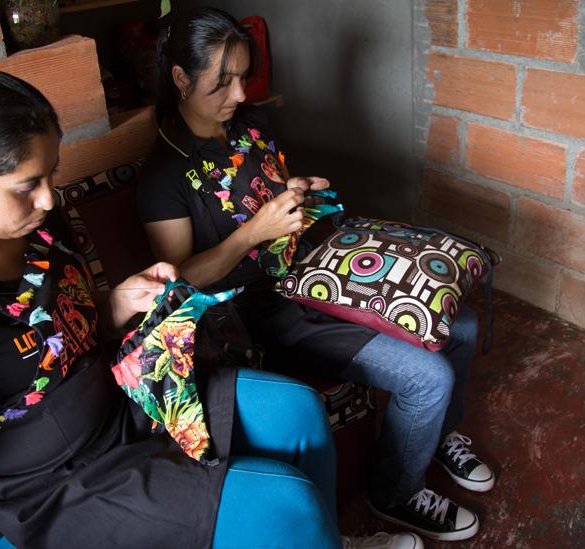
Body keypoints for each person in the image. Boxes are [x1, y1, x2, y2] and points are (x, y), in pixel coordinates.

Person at [0, 70, 420, 549]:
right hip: (47, 487)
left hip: (123, 403)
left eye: (50, 173)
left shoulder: (34, 229)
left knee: (297, 408)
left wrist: (117, 301)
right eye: (27, 185)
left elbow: (55, 332)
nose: (49, 198)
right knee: (283, 505)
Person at [138, 7, 495, 544]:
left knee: (460, 325)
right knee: (429, 375)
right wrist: (251, 233)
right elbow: (180, 279)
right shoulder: (163, 174)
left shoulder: (253, 126)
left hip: (315, 272)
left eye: (242, 77)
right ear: (181, 78)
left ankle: (438, 434)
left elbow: (274, 198)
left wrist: (296, 193)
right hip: (266, 314)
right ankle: (394, 492)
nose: (238, 95)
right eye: (222, 82)